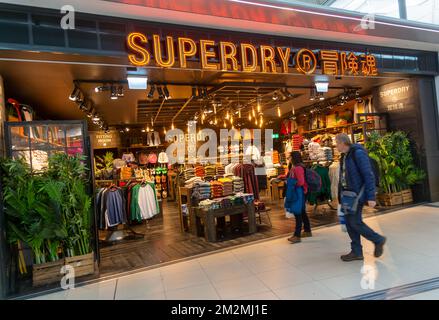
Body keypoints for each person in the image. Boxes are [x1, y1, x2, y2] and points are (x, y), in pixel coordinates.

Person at [335, 133, 386, 261]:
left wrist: (371, 196)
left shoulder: (357, 153)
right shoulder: (344, 156)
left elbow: (368, 175)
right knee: (349, 223)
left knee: (355, 222)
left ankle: (378, 239)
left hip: (357, 194)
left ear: (342, 143)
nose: (336, 146)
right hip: (347, 194)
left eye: (337, 143)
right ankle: (356, 251)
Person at [287, 151, 312, 244]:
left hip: (300, 192)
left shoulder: (297, 168)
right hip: (302, 192)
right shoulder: (300, 166)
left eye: (290, 157)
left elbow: (300, 182)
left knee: (298, 213)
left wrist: (292, 183)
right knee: (301, 211)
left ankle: (297, 235)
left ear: (293, 158)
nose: (289, 159)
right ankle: (307, 230)